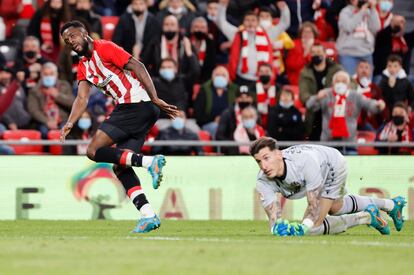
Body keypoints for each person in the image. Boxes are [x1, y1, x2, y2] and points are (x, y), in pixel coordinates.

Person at [59, 21, 180, 233]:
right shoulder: (83, 66)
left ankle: (150, 162)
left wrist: (155, 98)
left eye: (74, 36)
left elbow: (138, 66)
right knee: (121, 166)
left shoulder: (105, 47)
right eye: (67, 40)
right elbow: (81, 98)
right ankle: (148, 215)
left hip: (135, 104)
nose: (71, 42)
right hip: (141, 110)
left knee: (93, 151)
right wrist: (70, 122)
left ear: (85, 33)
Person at [250, 136, 406, 236]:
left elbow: (314, 206)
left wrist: (301, 228)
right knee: (336, 207)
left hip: (333, 165)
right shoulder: (263, 181)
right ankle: (391, 204)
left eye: (266, 158)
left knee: (311, 228)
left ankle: (365, 218)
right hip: (319, 165)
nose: (263, 166)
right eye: (258, 161)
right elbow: (273, 218)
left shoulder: (304, 163)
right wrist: (276, 229)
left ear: (278, 154)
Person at [215, 0, 290, 86]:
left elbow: (285, 23)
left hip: (262, 79)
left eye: (253, 20)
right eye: (247, 20)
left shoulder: (268, 34)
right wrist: (222, 6)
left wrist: (283, 8)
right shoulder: (237, 34)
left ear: (258, 23)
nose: (250, 23)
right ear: (243, 23)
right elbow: (221, 23)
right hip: (240, 78)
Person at [306, 71, 385, 147]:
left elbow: (369, 104)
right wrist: (317, 98)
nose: (340, 83)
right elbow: (310, 106)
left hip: (349, 143)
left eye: (343, 81)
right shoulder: (326, 94)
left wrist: (378, 105)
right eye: (337, 81)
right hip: (328, 143)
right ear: (333, 83)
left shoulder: (355, 95)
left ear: (348, 84)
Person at [299, 43, 343, 140]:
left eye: (319, 52)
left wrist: (332, 91)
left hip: (334, 110)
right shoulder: (305, 72)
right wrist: (317, 97)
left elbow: (351, 84)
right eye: (313, 52)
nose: (316, 55)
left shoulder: (336, 69)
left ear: (325, 54)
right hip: (314, 113)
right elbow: (303, 96)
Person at [27, 62, 74, 139]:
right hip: (44, 120)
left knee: (66, 131)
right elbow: (33, 110)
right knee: (44, 132)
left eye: (51, 74)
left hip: (63, 119)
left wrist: (57, 96)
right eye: (46, 74)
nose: (48, 76)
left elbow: (72, 103)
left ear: (56, 75)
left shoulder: (64, 86)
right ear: (41, 75)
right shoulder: (35, 90)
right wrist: (47, 121)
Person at [336, 0, 380, 75]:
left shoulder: (369, 11)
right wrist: (361, 12)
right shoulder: (345, 12)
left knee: (366, 84)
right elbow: (348, 27)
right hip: (348, 54)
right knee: (351, 83)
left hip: (366, 53)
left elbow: (376, 28)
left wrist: (373, 9)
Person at [194, 65, 238, 138]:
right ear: (212, 77)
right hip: (209, 124)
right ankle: (218, 149)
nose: (220, 77)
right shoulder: (204, 91)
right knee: (217, 128)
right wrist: (214, 119)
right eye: (217, 75)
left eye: (223, 75)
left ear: (228, 79)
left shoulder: (234, 91)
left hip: (229, 124)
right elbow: (198, 115)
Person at [215, 85, 254, 155]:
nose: (244, 100)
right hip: (232, 150)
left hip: (252, 148)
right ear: (236, 99)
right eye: (241, 98)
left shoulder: (255, 114)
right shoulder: (227, 113)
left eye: (246, 97)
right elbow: (219, 136)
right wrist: (235, 145)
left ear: (251, 99)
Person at [352, 60, 386, 130]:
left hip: (369, 122)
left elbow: (381, 105)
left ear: (371, 71)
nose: (364, 70)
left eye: (366, 68)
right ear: (356, 70)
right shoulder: (350, 85)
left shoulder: (375, 88)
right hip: (352, 120)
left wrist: (381, 105)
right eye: (361, 67)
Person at [285, 21, 318, 86]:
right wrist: (305, 53)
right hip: (297, 79)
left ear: (314, 34)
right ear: (301, 33)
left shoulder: (319, 45)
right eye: (305, 32)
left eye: (310, 32)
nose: (307, 34)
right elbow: (292, 65)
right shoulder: (294, 44)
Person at [249, 62, 277, 128]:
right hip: (256, 121)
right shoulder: (252, 88)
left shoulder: (278, 89)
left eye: (267, 71)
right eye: (261, 71)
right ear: (258, 73)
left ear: (272, 73)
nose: (264, 74)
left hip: (273, 121)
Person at [189, 17, 216, 83]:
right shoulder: (186, 41)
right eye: (196, 27)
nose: (199, 30)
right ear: (191, 29)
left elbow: (212, 65)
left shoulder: (210, 43)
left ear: (207, 30)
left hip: (205, 80)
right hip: (188, 79)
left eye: (202, 27)